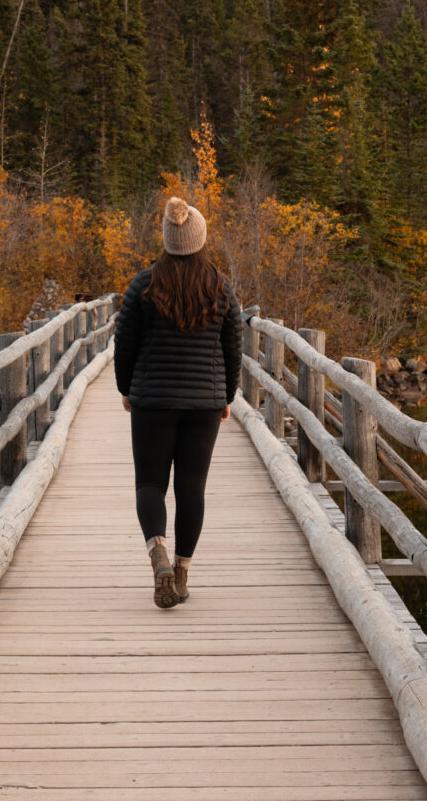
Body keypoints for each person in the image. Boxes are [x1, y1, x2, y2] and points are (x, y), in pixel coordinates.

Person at [114, 196, 243, 609]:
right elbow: (233, 346)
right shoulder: (220, 286)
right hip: (204, 403)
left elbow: (124, 343)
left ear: (168, 241)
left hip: (152, 400)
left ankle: (160, 560)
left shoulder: (143, 285)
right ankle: (183, 572)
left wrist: (126, 389)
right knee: (192, 489)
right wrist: (227, 396)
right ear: (200, 241)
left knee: (150, 485)